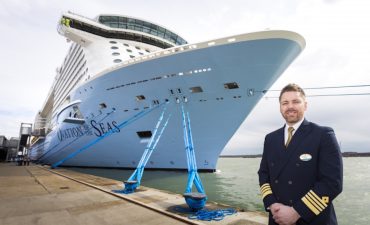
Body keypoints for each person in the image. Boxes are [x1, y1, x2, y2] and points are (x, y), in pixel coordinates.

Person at [258, 83, 343, 225]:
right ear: (280, 107)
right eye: (285, 103)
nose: (290, 106)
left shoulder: (323, 135)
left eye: (296, 101)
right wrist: (271, 203)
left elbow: (332, 183)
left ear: (305, 105)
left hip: (313, 219)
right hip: (277, 218)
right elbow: (263, 174)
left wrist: (297, 211)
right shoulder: (270, 139)